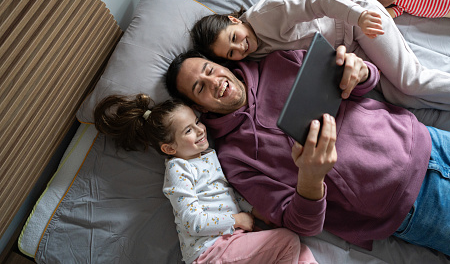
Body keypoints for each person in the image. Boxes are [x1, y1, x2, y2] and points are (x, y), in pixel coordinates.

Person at [165, 48, 450, 264]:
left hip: (431, 143)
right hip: (412, 210)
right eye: (199, 87)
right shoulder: (235, 161)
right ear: (199, 106)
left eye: (209, 70)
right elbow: (301, 224)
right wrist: (311, 180)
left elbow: (361, 82)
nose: (214, 82)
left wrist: (360, 71)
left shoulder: (279, 60)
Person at [190, 0, 450, 127]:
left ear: (234, 20)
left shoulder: (264, 16)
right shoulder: (252, 52)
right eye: (231, 53)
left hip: (357, 19)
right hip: (346, 47)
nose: (241, 48)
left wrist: (357, 15)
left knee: (412, 82)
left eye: (235, 38)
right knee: (402, 98)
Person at [93, 94, 317, 264]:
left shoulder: (208, 156)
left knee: (302, 253)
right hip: (209, 252)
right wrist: (237, 220)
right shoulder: (178, 170)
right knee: (287, 241)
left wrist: (251, 212)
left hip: (232, 239)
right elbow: (193, 221)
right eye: (188, 131)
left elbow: (224, 196)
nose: (200, 130)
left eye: (197, 121)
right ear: (169, 147)